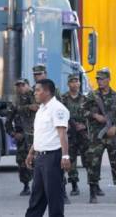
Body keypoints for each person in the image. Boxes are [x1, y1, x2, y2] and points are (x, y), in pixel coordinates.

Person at [25, 79, 71, 217]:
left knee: (54, 196)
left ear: (47, 92)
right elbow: (41, 135)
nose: (35, 93)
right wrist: (31, 153)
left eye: (38, 90)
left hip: (52, 157)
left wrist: (65, 156)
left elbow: (62, 134)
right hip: (40, 157)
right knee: (37, 197)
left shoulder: (57, 109)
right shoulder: (42, 109)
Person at [85, 68, 116, 204]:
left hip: (112, 136)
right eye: (98, 79)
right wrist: (94, 115)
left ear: (109, 79)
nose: (99, 81)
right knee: (93, 164)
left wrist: (115, 127)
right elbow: (82, 110)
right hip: (96, 136)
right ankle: (93, 193)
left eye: (102, 79)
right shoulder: (92, 96)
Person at [6, 78, 36, 196]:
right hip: (22, 137)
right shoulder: (15, 102)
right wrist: (13, 134)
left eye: (22, 85)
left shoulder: (36, 97)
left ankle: (39, 185)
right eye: (18, 85)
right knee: (22, 162)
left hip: (35, 136)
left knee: (38, 161)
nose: (20, 87)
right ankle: (26, 185)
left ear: (28, 86)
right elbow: (8, 121)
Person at [62, 74, 90, 196]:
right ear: (68, 84)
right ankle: (74, 185)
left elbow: (91, 115)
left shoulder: (85, 99)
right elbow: (59, 114)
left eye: (76, 81)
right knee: (71, 160)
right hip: (70, 133)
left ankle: (94, 185)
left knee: (89, 159)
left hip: (83, 133)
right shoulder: (63, 99)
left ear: (79, 83)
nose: (74, 84)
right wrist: (67, 125)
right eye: (72, 82)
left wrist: (84, 125)